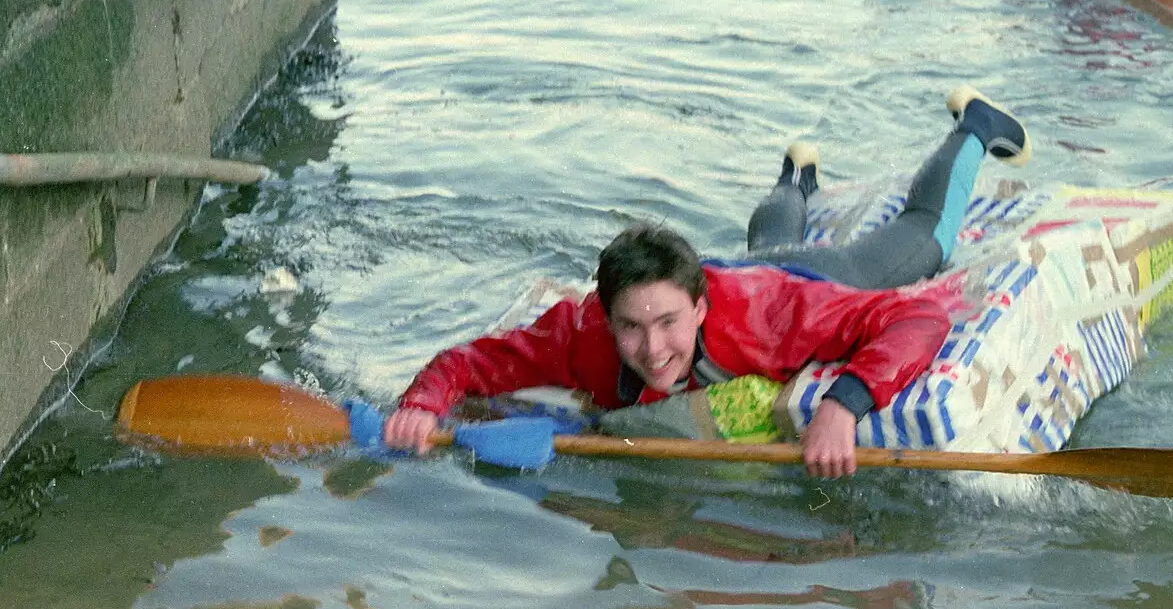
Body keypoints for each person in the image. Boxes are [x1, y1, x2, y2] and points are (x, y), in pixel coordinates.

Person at [383, 87, 1033, 478]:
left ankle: (974, 124)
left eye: (668, 325)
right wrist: (421, 404)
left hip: (804, 281)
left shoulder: (775, 318)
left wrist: (844, 405)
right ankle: (798, 180)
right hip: (738, 270)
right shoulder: (582, 335)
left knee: (923, 240)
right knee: (772, 243)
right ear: (605, 317)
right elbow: (469, 362)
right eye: (631, 329)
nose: (654, 349)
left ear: (698, 310)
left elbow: (913, 320)